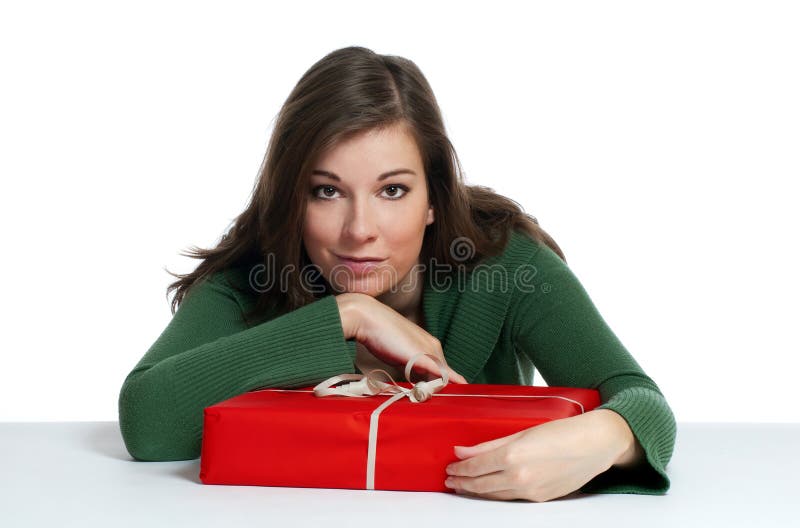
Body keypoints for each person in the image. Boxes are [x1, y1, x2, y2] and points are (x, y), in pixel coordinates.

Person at [118, 46, 676, 502]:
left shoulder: (505, 266)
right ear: (293, 198)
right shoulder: (256, 271)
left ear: (434, 198)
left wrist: (607, 436)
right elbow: (146, 423)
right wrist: (346, 316)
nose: (360, 229)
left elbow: (642, 401)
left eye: (392, 190)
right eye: (327, 191)